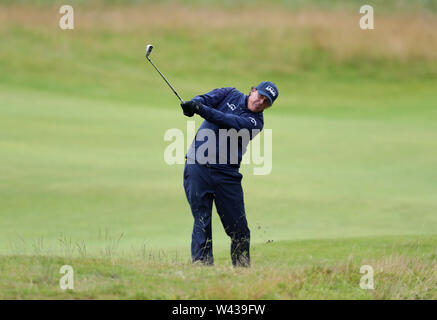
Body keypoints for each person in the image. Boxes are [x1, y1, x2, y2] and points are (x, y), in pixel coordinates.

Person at [180, 81, 278, 267]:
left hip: (226, 175)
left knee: (239, 228)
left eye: (266, 102)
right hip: (197, 166)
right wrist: (193, 105)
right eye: (260, 96)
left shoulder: (255, 122)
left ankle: (241, 270)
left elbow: (227, 121)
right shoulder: (229, 93)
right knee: (202, 219)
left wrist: (200, 109)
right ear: (253, 91)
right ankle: (201, 265)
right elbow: (206, 99)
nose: (260, 102)